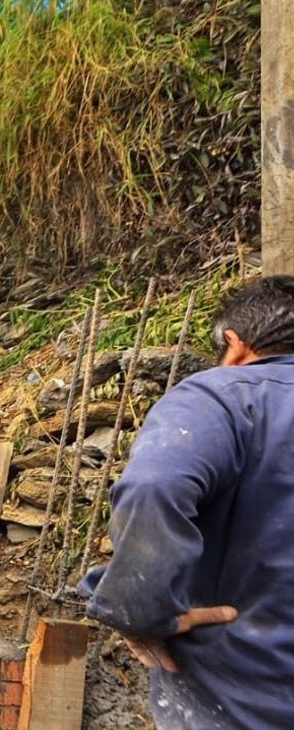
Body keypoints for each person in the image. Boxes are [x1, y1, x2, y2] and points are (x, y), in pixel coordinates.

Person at [80, 276, 294, 729]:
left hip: (240, 703)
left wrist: (139, 609)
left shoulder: (226, 396)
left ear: (234, 344)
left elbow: (154, 487)